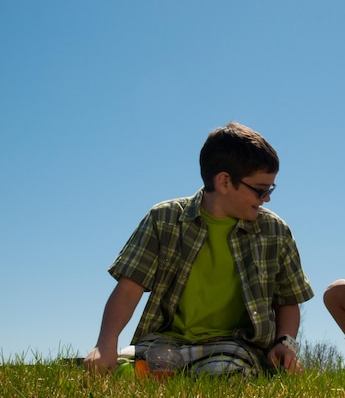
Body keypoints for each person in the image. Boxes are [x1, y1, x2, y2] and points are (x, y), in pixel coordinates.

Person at [84, 122, 314, 376]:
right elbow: (129, 288)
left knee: (225, 377)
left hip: (231, 345)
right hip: (163, 342)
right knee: (121, 376)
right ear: (225, 182)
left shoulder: (275, 231)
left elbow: (288, 300)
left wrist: (286, 344)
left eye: (270, 189)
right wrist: (105, 344)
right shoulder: (164, 218)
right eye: (261, 190)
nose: (267, 198)